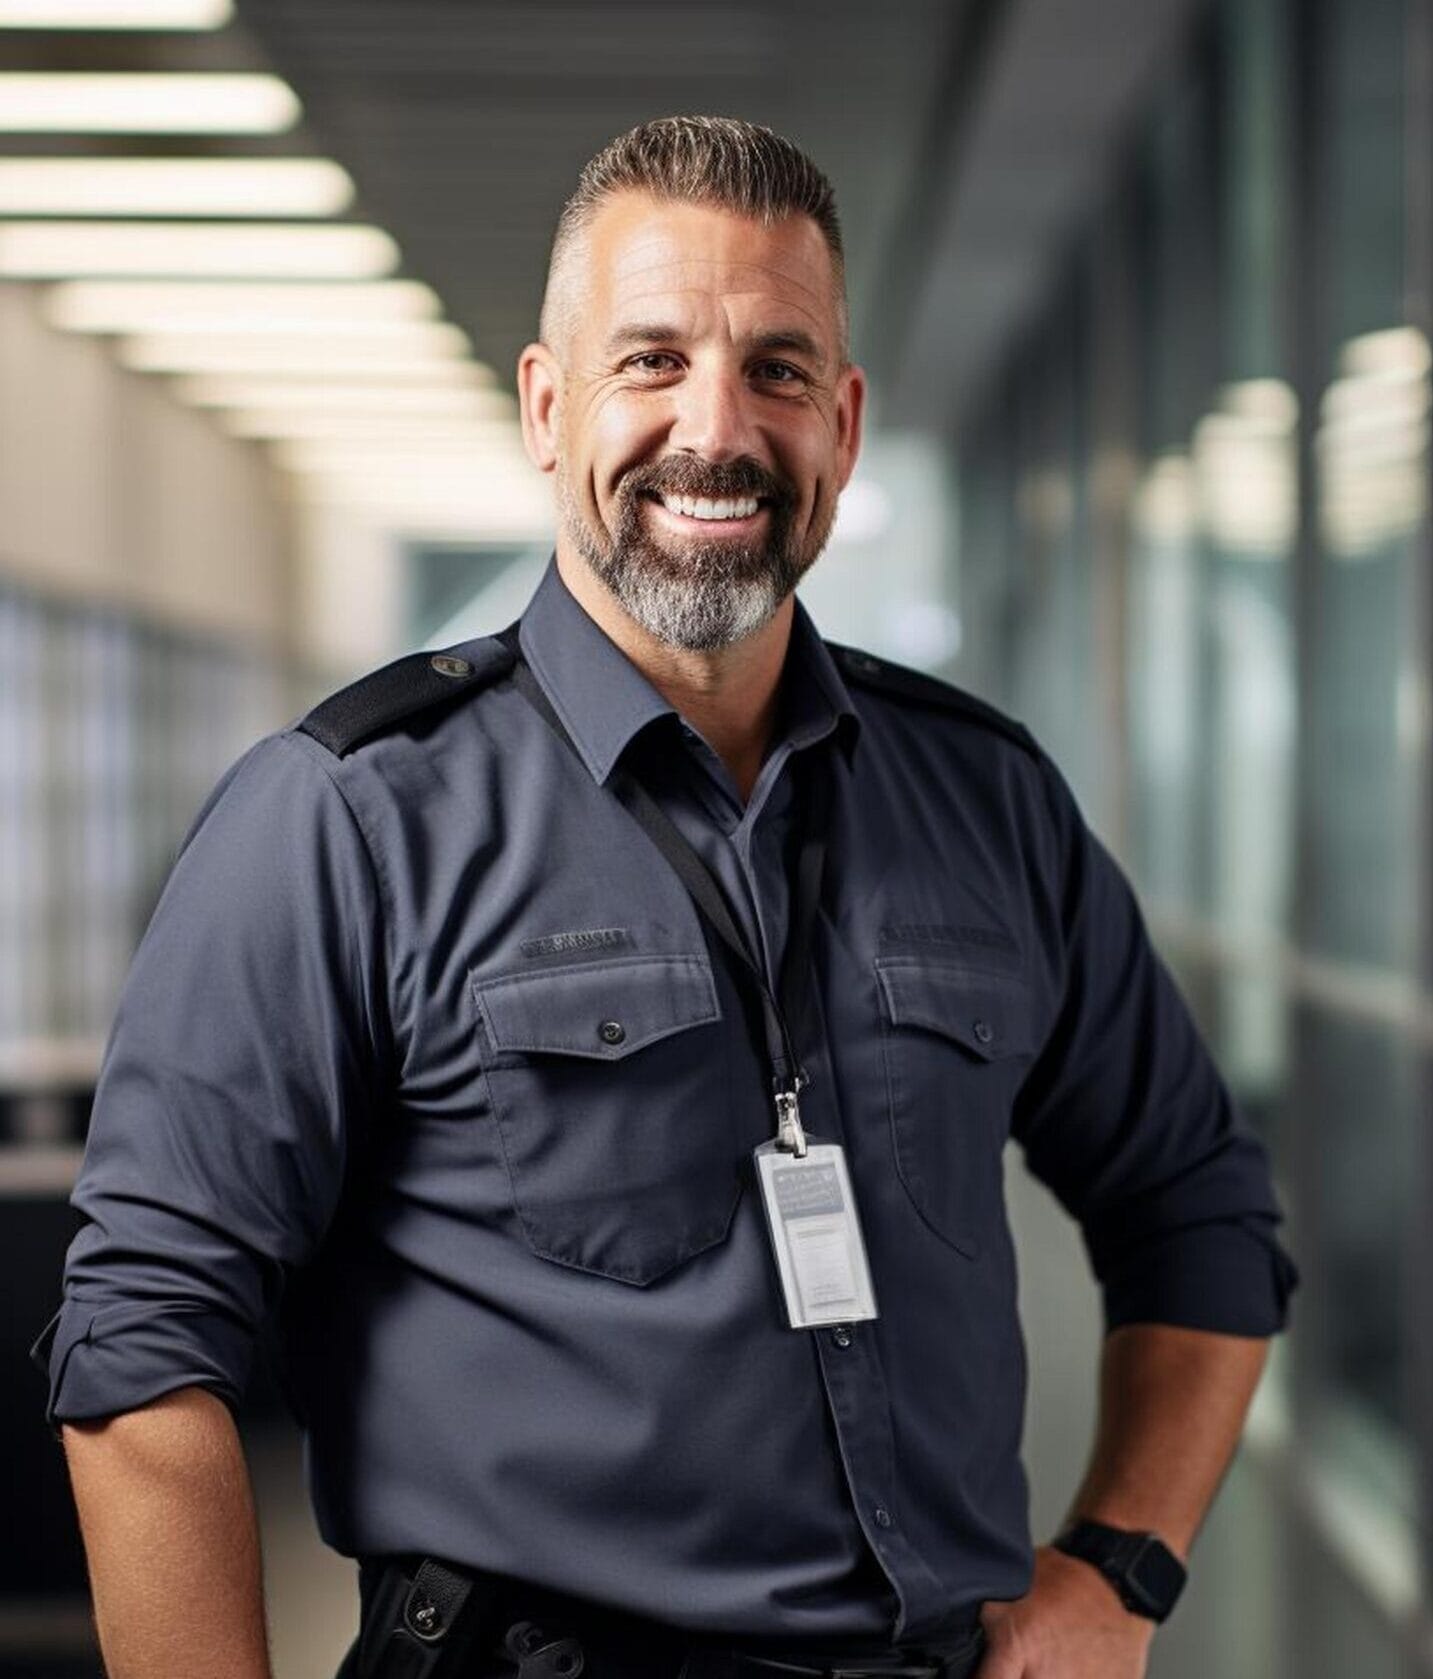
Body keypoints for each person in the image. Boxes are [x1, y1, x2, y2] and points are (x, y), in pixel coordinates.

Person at [33, 116, 1297, 1679]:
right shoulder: (346, 813)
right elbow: (143, 1342)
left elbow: (1198, 1208)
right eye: (650, 361)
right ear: (545, 407)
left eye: (777, 369)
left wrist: (1117, 1569)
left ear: (841, 422)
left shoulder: (987, 798)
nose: (717, 429)